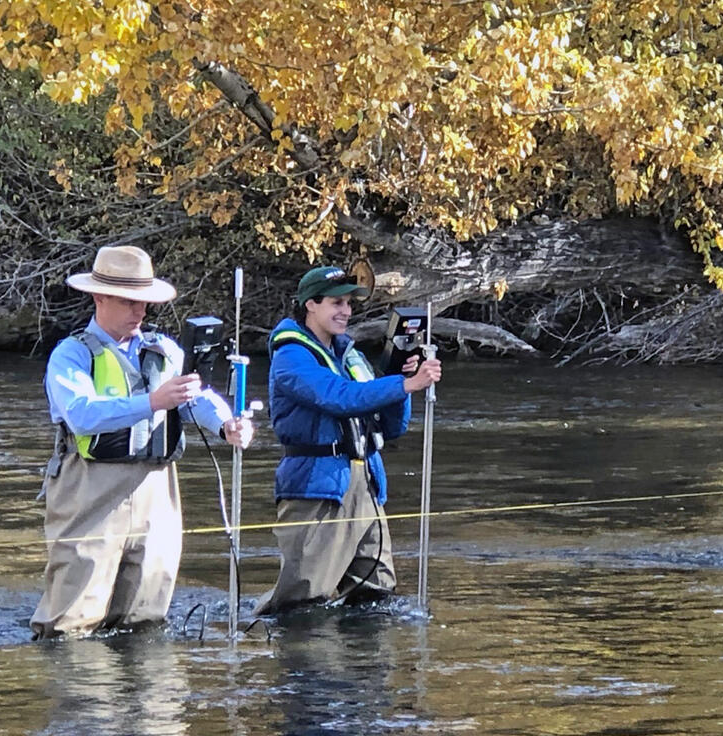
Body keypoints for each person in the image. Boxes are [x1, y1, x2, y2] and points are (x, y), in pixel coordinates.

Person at [31, 245, 254, 639]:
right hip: (90, 490)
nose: (141, 312)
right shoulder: (71, 355)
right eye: (130, 302)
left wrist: (226, 425)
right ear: (99, 298)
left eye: (145, 303)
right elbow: (82, 415)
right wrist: (154, 401)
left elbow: (196, 396)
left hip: (157, 492)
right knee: (72, 617)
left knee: (146, 615)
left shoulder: (163, 349)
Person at [253, 265, 442, 614]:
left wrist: (401, 379)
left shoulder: (349, 355)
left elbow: (391, 427)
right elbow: (336, 397)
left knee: (376, 590)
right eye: (336, 303)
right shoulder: (290, 356)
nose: (346, 311)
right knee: (305, 596)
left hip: (365, 483)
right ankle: (295, 655)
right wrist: (405, 384)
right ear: (310, 304)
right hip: (317, 485)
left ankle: (362, 667)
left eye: (349, 304)